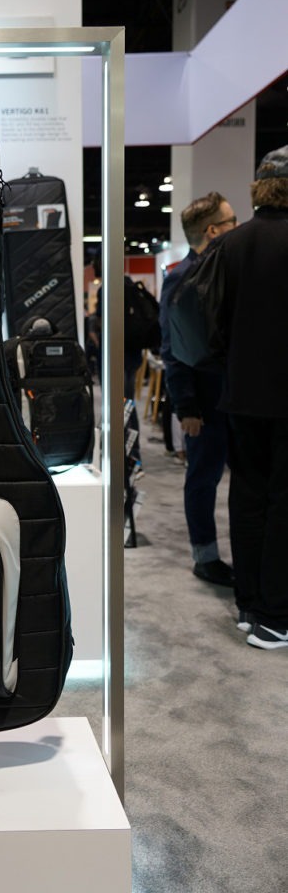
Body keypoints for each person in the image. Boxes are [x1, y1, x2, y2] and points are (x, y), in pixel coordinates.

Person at [216, 146, 288, 648]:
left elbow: (214, 322)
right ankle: (275, 616)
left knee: (247, 496)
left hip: (241, 391)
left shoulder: (231, 243)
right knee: (284, 502)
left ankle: (249, 604)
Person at [159, 192, 237, 586]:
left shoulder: (227, 271)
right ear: (213, 231)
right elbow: (172, 350)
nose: (238, 227)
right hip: (204, 402)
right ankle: (205, 557)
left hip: (236, 396)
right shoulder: (181, 278)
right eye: (232, 221)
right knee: (203, 478)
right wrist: (186, 406)